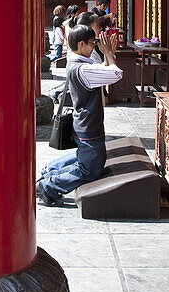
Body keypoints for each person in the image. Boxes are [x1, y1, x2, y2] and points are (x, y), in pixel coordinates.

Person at [36, 24, 122, 206]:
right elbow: (116, 74)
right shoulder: (82, 69)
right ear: (81, 44)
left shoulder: (76, 62)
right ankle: (49, 185)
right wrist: (109, 54)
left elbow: (103, 72)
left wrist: (108, 54)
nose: (95, 47)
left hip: (84, 122)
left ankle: (51, 170)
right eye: (93, 43)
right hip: (88, 124)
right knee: (90, 168)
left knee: (87, 157)